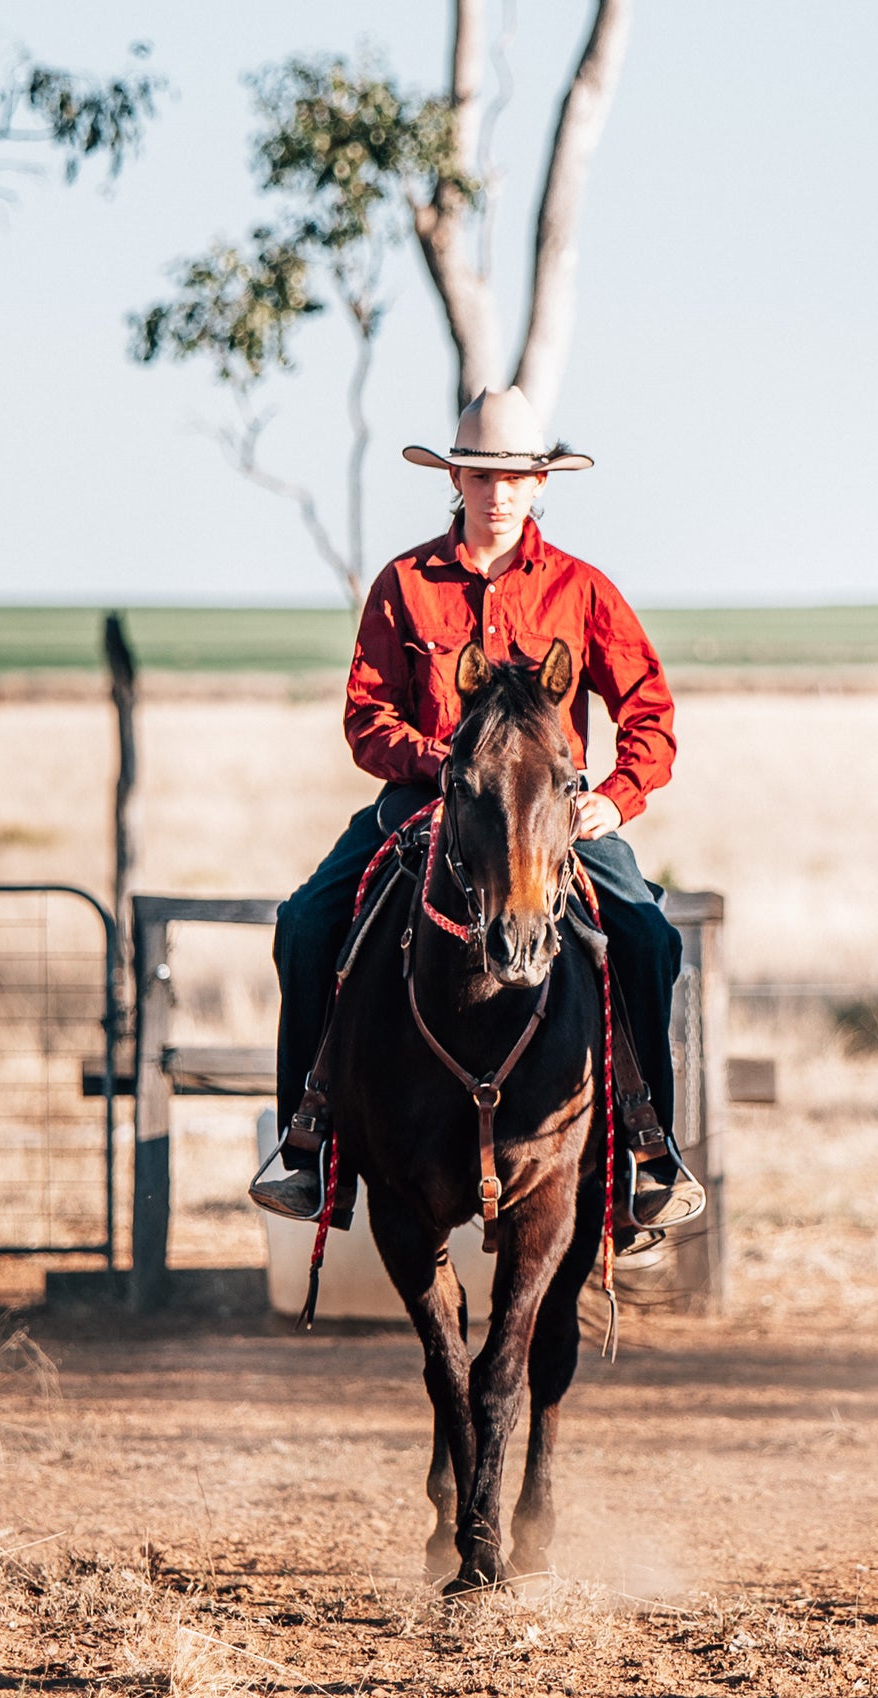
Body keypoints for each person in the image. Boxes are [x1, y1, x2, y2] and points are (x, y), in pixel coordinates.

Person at [247, 387, 704, 1237]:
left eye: (515, 476)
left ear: (538, 486)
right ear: (455, 476)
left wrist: (613, 797)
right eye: (481, 473)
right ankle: (308, 1146)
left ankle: (649, 1150)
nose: (497, 491)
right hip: (425, 801)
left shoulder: (581, 589)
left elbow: (651, 710)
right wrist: (443, 766)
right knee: (306, 925)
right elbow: (367, 714)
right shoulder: (405, 584)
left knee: (647, 935)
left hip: (546, 822)